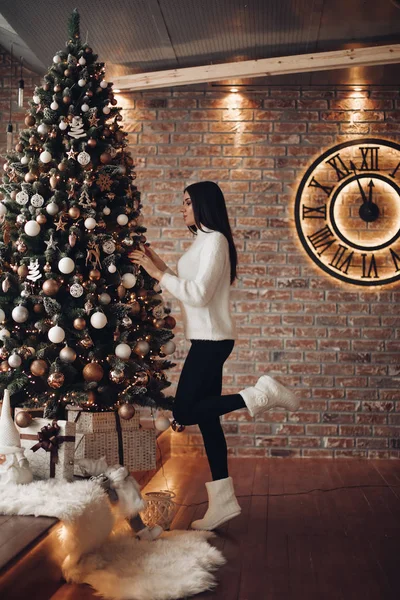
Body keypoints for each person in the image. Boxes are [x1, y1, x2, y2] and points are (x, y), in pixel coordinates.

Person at [129, 181, 300, 531]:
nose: (183, 209)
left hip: (212, 341)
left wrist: (158, 273)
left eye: (188, 202)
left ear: (205, 205)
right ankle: (223, 502)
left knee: (184, 411)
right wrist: (157, 263)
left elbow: (199, 295)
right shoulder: (203, 241)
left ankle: (258, 395)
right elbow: (187, 285)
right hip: (206, 339)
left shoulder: (216, 241)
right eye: (182, 203)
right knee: (208, 421)